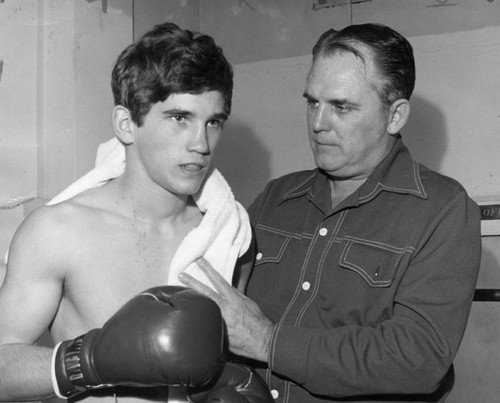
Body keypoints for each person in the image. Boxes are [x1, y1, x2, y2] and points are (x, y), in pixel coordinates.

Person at [179, 23, 482, 402]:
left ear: (395, 116)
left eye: (341, 106)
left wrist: (269, 342)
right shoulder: (277, 196)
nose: (318, 124)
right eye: (312, 102)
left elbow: (416, 357)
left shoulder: (444, 211)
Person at [0, 22, 272, 403]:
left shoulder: (228, 237)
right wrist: (89, 361)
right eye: (180, 118)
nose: (201, 143)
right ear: (127, 124)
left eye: (213, 122)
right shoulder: (58, 232)